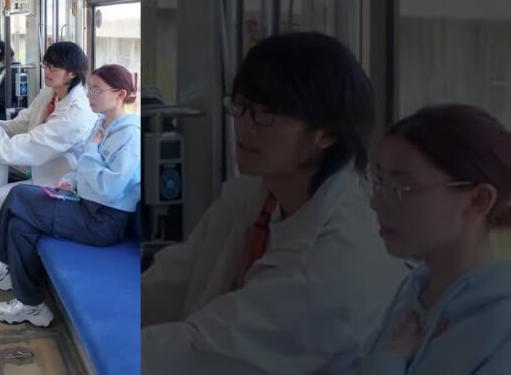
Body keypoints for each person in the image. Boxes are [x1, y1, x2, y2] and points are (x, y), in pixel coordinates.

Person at [141, 32, 406, 373]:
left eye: (267, 114)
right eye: (242, 107)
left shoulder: (341, 253)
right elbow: (175, 278)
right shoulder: (253, 194)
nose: (245, 127)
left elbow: (206, 351)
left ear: (326, 133)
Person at [360, 104, 511, 374]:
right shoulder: (412, 293)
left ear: (478, 200)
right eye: (378, 181)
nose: (376, 203)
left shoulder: (509, 324)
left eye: (401, 188)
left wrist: (385, 363)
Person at [0, 65, 140, 326]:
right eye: (89, 88)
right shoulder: (101, 124)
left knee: (19, 196)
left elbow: (109, 188)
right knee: (20, 225)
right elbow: (83, 170)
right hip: (85, 205)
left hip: (102, 220)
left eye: (97, 90)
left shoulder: (129, 136)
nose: (90, 94)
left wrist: (91, 151)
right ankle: (31, 304)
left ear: (120, 94)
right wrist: (70, 180)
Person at [0, 41, 98, 213]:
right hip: (41, 164)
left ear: (72, 74)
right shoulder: (50, 93)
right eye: (46, 65)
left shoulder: (76, 113)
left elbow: (35, 143)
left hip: (61, 176)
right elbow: (23, 121)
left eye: (53, 68)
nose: (46, 71)